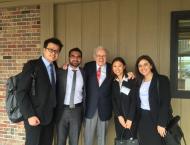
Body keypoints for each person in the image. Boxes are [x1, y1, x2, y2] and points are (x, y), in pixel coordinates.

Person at [17, 37, 63, 145]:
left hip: (50, 117)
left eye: (56, 51)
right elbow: (21, 92)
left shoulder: (55, 67)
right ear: (44, 49)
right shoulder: (32, 65)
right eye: (50, 50)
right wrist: (29, 115)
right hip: (35, 117)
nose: (53, 53)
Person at [135, 55, 171, 145]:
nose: (143, 68)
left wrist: (162, 123)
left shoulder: (162, 80)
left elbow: (165, 103)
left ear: (151, 65)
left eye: (145, 64)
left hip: (156, 118)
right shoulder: (139, 81)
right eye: (140, 66)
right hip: (142, 118)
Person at [83, 46, 112, 145]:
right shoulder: (88, 66)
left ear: (106, 57)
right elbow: (79, 78)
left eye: (103, 55)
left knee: (102, 139)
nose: (101, 58)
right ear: (94, 56)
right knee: (88, 139)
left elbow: (120, 78)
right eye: (98, 55)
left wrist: (129, 75)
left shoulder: (112, 68)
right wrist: (67, 67)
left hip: (105, 109)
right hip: (90, 108)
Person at [56, 47, 85, 145]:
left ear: (81, 58)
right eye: (73, 56)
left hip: (77, 110)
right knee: (60, 141)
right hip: (61, 110)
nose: (75, 59)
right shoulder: (60, 71)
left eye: (78, 57)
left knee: (74, 141)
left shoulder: (84, 72)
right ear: (69, 57)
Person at [111, 57, 137, 140]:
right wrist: (119, 116)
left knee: (131, 141)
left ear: (124, 66)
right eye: (114, 66)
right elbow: (113, 100)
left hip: (132, 118)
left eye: (119, 66)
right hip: (119, 119)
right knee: (121, 140)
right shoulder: (113, 82)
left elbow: (134, 100)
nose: (117, 68)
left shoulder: (131, 79)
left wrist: (130, 119)